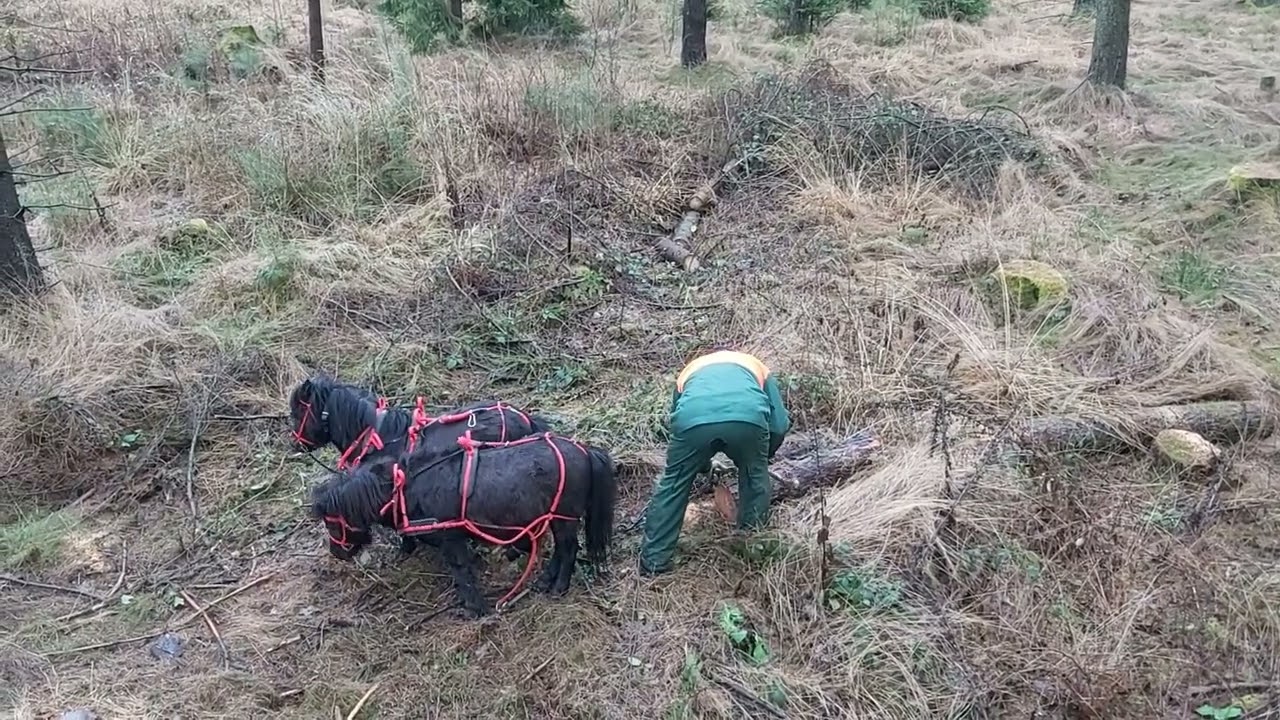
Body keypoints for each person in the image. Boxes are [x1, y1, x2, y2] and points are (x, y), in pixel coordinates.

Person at [638, 349, 792, 575]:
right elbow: (779, 425)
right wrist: (761, 457)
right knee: (754, 477)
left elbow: (677, 424)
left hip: (693, 420)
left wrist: (701, 466)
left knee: (673, 483)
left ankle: (654, 563)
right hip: (747, 418)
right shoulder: (758, 367)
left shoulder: (688, 372)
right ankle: (750, 551)